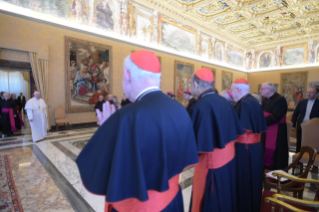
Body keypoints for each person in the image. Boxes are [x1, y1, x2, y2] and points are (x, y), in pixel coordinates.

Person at [76, 50, 198, 212]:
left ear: (127, 75)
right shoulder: (180, 109)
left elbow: (97, 171)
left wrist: (109, 128)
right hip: (172, 202)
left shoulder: (125, 117)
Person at [189, 68, 244, 212]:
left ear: (196, 84)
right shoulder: (225, 101)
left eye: (189, 83)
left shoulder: (201, 106)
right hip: (228, 162)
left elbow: (196, 146)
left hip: (210, 166)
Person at [231, 79, 267, 212]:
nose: (231, 93)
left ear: (239, 90)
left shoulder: (245, 104)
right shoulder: (253, 101)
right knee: (254, 181)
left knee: (245, 182)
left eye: (232, 90)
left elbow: (240, 129)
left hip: (245, 149)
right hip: (254, 149)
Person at [260, 82, 288, 170]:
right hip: (266, 129)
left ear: (268, 90)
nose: (260, 91)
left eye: (262, 89)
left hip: (277, 130)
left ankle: (276, 171)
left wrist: (260, 122)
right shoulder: (265, 100)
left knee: (277, 153)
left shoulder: (280, 99)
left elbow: (276, 116)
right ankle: (265, 168)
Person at [292, 87, 319, 153]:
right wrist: (293, 125)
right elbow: (295, 114)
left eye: (311, 92)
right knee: (299, 144)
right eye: (308, 92)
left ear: (317, 94)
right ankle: (298, 159)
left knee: (312, 145)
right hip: (301, 126)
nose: (308, 94)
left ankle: (310, 160)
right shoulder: (302, 102)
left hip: (314, 128)